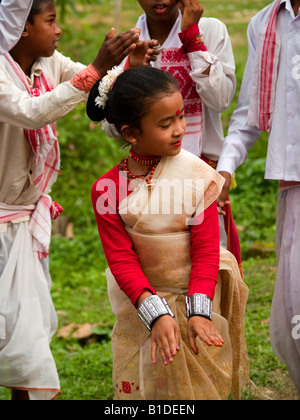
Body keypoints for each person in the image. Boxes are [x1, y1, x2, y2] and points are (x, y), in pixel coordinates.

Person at [0, 0, 158, 401]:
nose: (59, 30)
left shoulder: (45, 64)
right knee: (19, 340)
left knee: (29, 338)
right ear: (21, 26)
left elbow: (99, 86)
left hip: (23, 225)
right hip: (3, 225)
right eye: (51, 21)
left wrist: (129, 67)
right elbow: (33, 111)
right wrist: (97, 65)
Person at [88, 66, 249, 400]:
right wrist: (157, 313)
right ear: (131, 133)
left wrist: (199, 313)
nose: (179, 129)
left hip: (197, 296)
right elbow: (121, 260)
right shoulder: (106, 189)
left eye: (179, 116)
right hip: (141, 301)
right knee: (147, 387)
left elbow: (205, 251)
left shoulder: (195, 175)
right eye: (165, 124)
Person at [217, 0, 300, 394]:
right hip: (293, 187)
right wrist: (225, 168)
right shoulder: (265, 23)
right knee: (289, 324)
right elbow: (249, 112)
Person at [128, 0, 243, 275]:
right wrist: (130, 70)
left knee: (210, 272)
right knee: (162, 274)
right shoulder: (133, 41)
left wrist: (193, 39)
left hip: (203, 176)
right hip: (151, 182)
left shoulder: (210, 30)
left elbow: (220, 100)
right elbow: (118, 125)